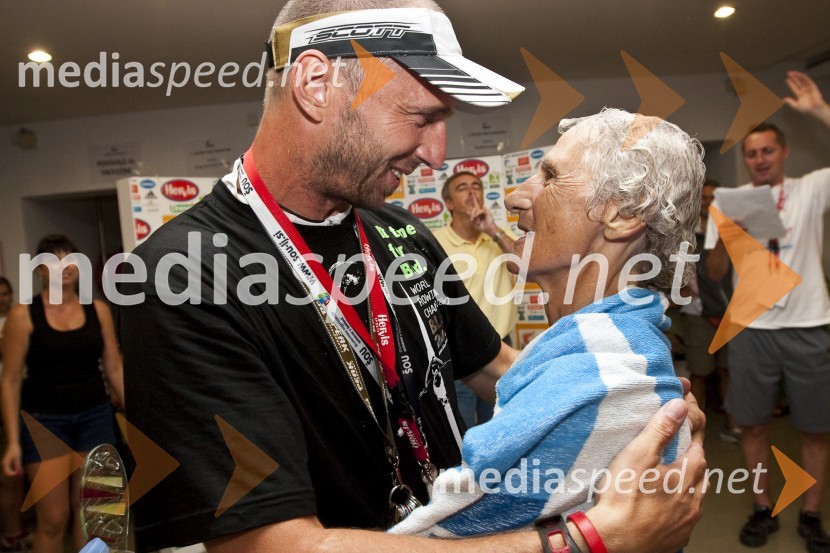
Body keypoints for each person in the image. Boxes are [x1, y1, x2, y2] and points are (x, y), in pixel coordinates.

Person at [120, 2, 707, 552]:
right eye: (421, 117)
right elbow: (275, 543)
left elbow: (495, 368)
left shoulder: (399, 232)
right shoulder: (182, 276)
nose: (436, 154)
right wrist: (584, 539)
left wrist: (638, 408)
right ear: (316, 85)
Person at [390, 109, 700, 536]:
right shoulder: (610, 347)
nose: (515, 197)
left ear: (624, 214)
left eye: (550, 177)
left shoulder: (596, 376)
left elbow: (438, 537)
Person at [706, 70, 830, 552]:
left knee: (815, 428)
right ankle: (762, 506)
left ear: (783, 154)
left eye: (767, 151)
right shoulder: (730, 204)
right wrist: (731, 236)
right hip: (753, 328)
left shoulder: (811, 189)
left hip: (809, 325)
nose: (759, 159)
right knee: (753, 424)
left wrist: (818, 110)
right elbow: (715, 274)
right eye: (751, 153)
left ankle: (812, 515)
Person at [1, 235, 125, 553]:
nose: (63, 267)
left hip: (95, 416)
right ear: (40, 270)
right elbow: (11, 380)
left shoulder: (98, 310)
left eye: (69, 259)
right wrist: (13, 442)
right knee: (53, 519)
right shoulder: (22, 315)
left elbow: (114, 368)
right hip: (44, 422)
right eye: (53, 260)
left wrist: (138, 413)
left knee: (91, 518)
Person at [433, 172, 518, 426]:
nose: (472, 192)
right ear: (448, 203)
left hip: (502, 349)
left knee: (504, 430)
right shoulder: (434, 242)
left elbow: (528, 264)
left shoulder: (498, 239)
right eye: (462, 188)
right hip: (458, 353)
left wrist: (492, 230)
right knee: (463, 434)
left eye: (476, 186)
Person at [680, 180, 738, 443]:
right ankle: (694, 429)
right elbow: (676, 274)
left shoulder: (733, 232)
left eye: (713, 197)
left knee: (730, 371)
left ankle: (732, 424)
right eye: (703, 198)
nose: (708, 202)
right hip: (697, 313)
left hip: (732, 313)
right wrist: (681, 292)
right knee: (700, 373)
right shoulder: (685, 234)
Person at [0, 277, 31, 553]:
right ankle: (11, 532)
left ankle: (18, 527)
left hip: (24, 403)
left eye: (6, 293)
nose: (2, 298)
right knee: (8, 475)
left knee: (21, 473)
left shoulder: (20, 318)